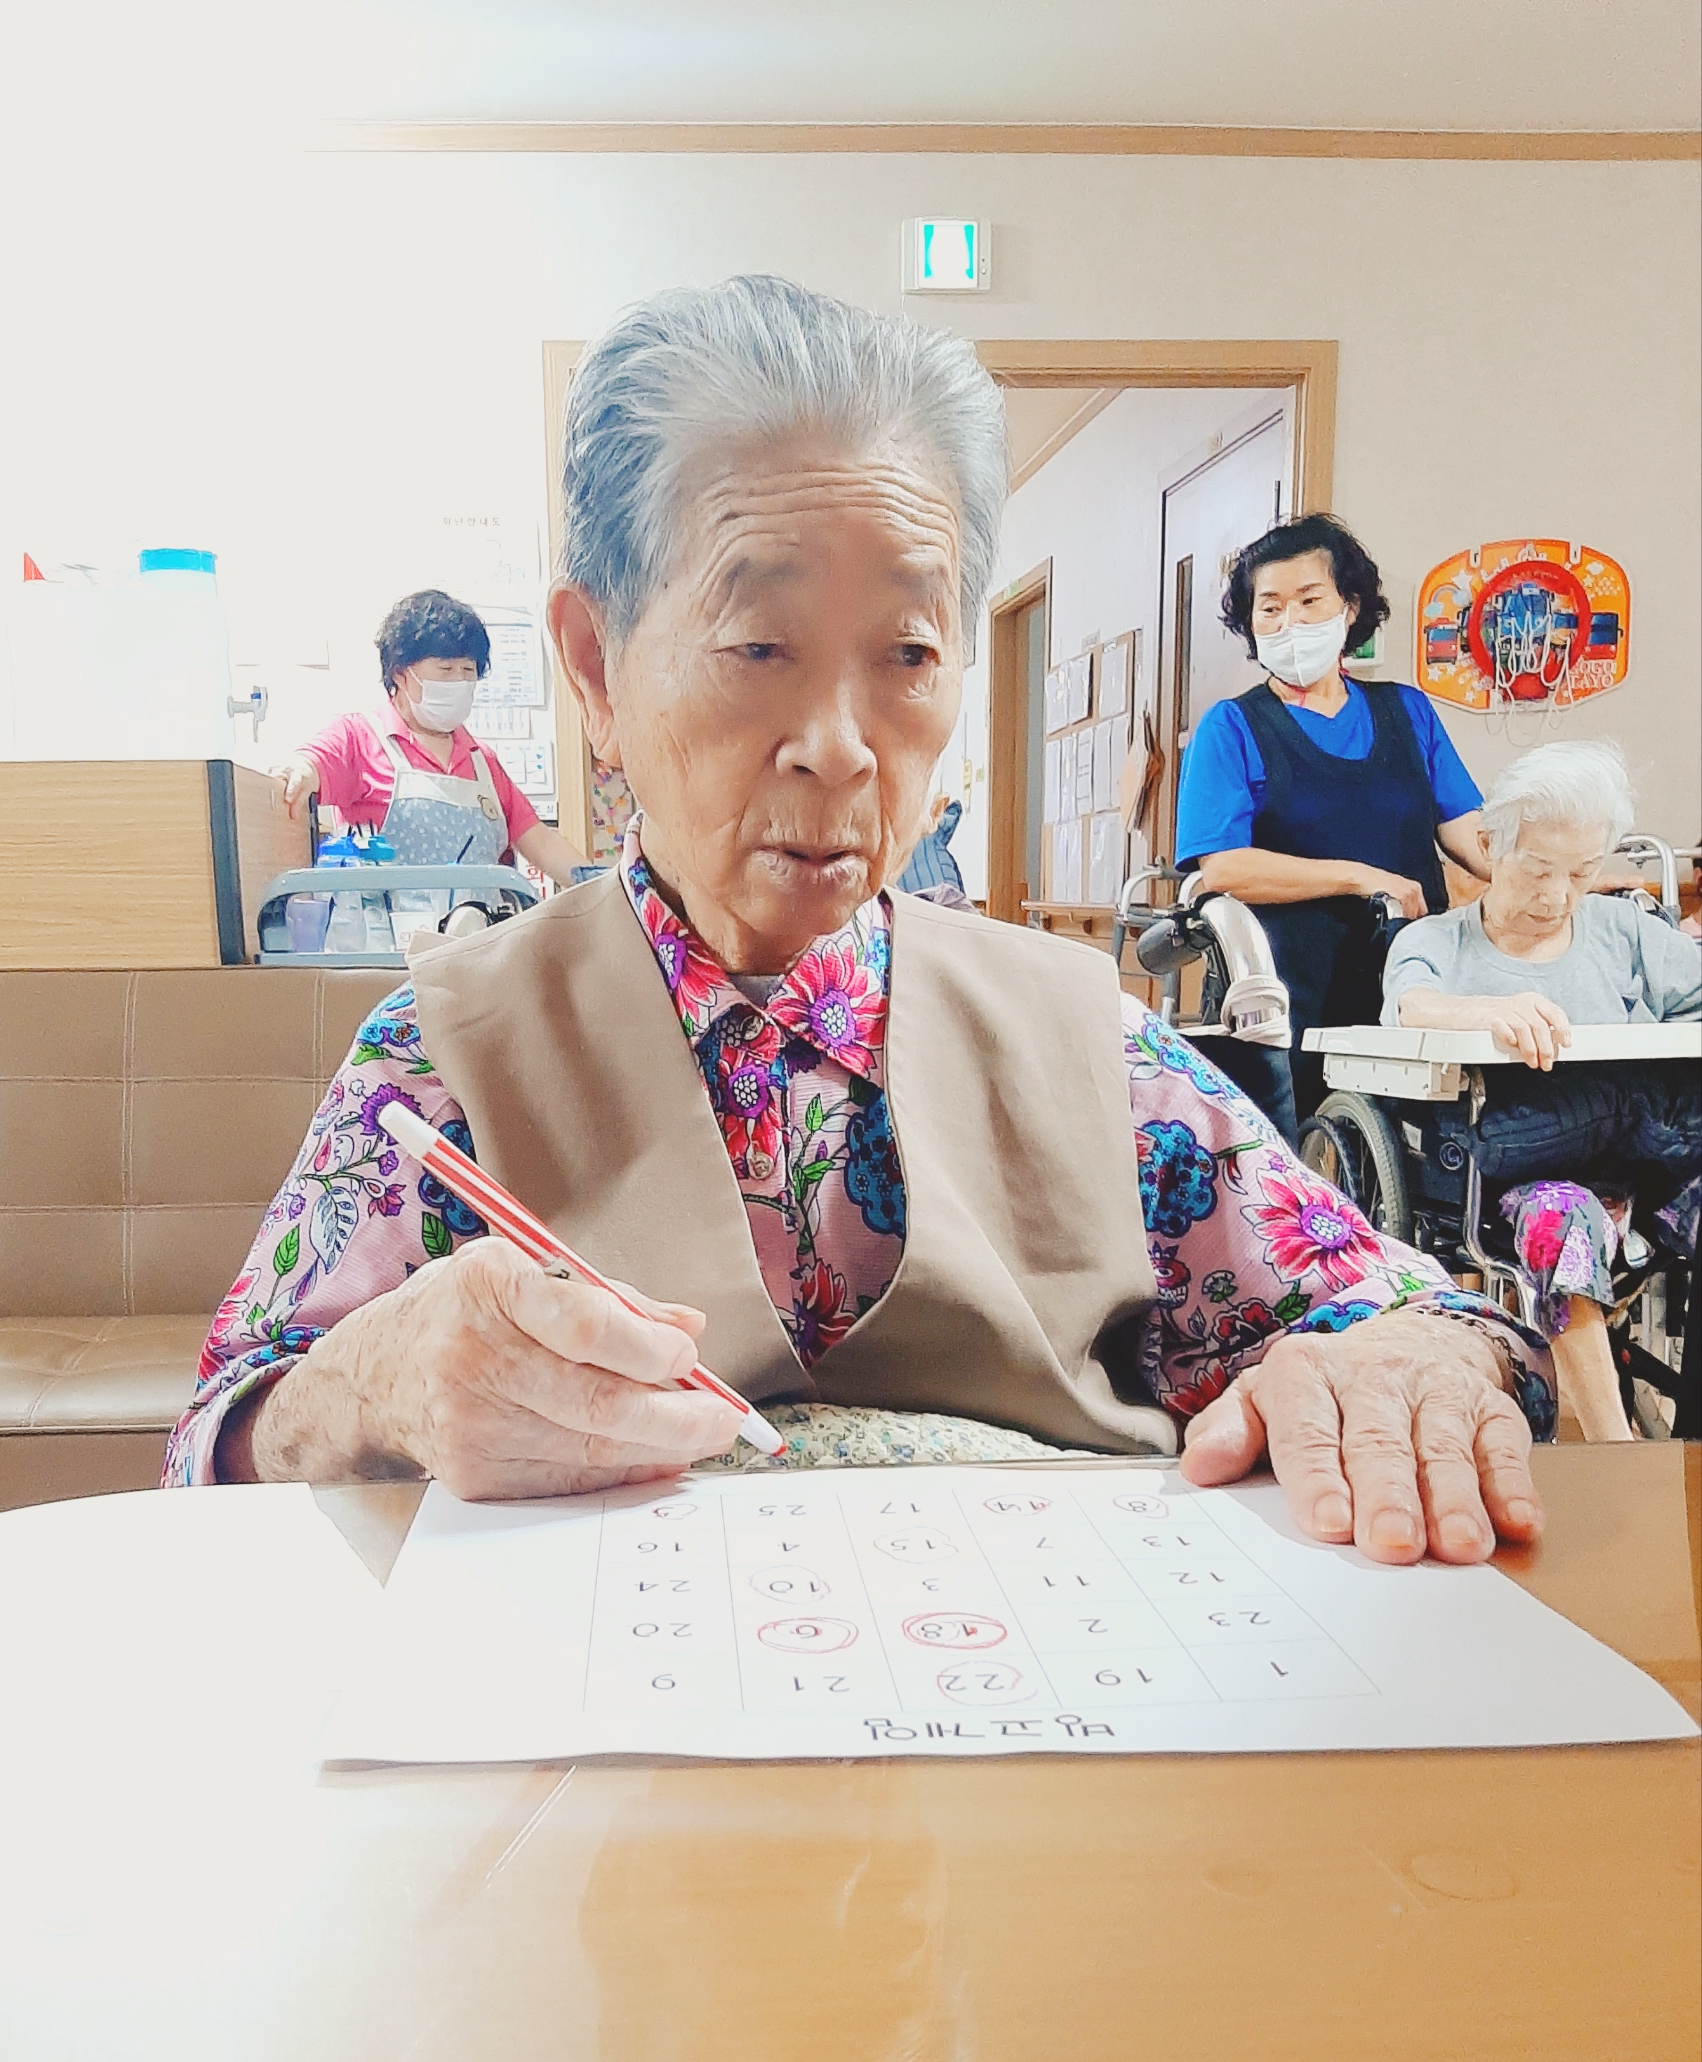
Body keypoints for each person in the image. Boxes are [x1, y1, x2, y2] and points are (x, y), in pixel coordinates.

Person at [167, 276, 1557, 1570]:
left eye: (907, 653)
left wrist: (1409, 1367)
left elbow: (1405, 1314)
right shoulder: (446, 1049)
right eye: (758, 646)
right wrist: (367, 1386)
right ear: (595, 667)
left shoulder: (1086, 1039)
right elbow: (213, 1456)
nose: (838, 746)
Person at [1383, 740, 1701, 1441]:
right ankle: (1617, 1456)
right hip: (1511, 1160)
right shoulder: (1436, 942)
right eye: (1537, 870)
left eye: (1582, 873)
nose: (1557, 897)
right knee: (1567, 1207)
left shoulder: (1624, 932)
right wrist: (1486, 1012)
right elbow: (1411, 1003)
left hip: (1642, 1159)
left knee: (1641, 1104)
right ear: (1489, 846)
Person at [1176, 515, 1490, 1132]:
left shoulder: (1406, 711)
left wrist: (1563, 877)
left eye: (1309, 599)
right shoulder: (1232, 727)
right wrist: (1359, 877)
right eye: (1269, 607)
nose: (1289, 621)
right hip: (1287, 993)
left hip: (1410, 975)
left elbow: (1471, 837)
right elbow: (1225, 868)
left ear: (1350, 607)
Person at [272, 588, 589, 883]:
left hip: (480, 924)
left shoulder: (483, 762)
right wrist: (300, 770)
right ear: (401, 673)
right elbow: (310, 764)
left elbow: (540, 841)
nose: (459, 681)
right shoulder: (358, 737)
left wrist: (596, 883)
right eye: (446, 669)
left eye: (468, 671)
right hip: (386, 924)